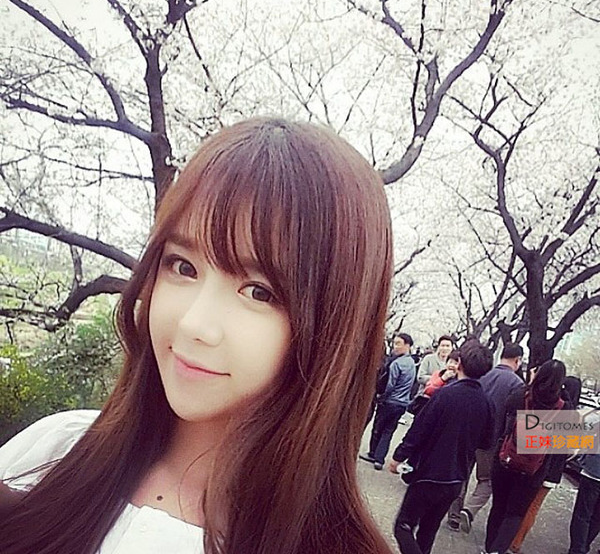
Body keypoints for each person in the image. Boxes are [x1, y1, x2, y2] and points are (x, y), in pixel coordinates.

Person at [0, 118, 395, 554]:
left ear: (332, 329)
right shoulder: (56, 451)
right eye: (183, 266)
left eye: (258, 292)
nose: (194, 323)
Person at [389, 337, 494, 554]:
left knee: (403, 526)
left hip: (428, 474)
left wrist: (399, 456)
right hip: (456, 478)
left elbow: (419, 430)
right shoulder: (487, 403)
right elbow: (486, 442)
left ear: (459, 363)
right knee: (429, 530)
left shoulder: (445, 394)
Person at [483, 359, 567, 554]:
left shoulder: (521, 396)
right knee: (515, 514)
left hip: (505, 460)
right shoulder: (564, 408)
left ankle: (489, 549)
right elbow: (564, 447)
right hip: (534, 470)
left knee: (498, 507)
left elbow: (502, 422)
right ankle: (497, 551)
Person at [508, 376, 581, 554]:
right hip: (553, 471)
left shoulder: (552, 407)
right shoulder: (574, 417)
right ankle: (516, 543)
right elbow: (572, 451)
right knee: (534, 507)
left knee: (520, 502)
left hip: (535, 464)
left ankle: (506, 536)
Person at [456, 343, 524, 533]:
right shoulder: (517, 384)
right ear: (517, 360)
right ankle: (469, 510)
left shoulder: (483, 373)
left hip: (470, 432)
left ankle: (453, 515)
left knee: (462, 473)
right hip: (493, 440)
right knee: (486, 480)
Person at [360, 332, 415, 470]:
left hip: (390, 401)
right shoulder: (412, 363)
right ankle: (380, 458)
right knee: (388, 431)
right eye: (394, 343)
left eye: (398, 344)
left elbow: (390, 385)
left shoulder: (396, 363)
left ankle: (373, 454)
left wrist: (381, 396)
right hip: (402, 403)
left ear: (407, 345)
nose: (395, 347)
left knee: (378, 428)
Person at [568, 447, 600, 554]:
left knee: (582, 515)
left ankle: (578, 550)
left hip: (594, 472)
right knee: (597, 517)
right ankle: (583, 547)